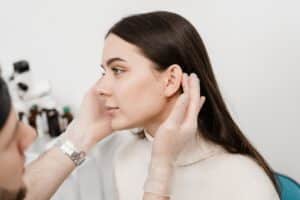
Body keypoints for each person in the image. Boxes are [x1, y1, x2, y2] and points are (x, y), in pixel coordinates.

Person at [3, 11, 281, 200]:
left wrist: (161, 164)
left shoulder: (243, 182)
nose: (100, 87)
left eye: (118, 70)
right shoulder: (108, 155)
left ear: (171, 80)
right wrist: (80, 137)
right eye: (104, 71)